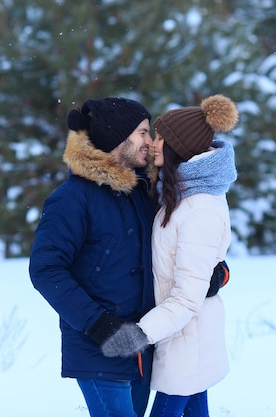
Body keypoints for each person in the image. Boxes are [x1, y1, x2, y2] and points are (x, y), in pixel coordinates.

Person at [100, 94, 239, 417]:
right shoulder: (176, 195)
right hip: (180, 336)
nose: (154, 144)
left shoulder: (198, 207)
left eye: (162, 137)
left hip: (187, 340)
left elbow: (187, 298)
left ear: (182, 146)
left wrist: (137, 334)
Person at [28, 97, 158, 417]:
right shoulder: (72, 199)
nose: (150, 142)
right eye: (142, 133)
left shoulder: (141, 193)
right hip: (99, 347)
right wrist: (99, 325)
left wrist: (209, 273)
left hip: (141, 346)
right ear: (118, 137)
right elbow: (45, 269)